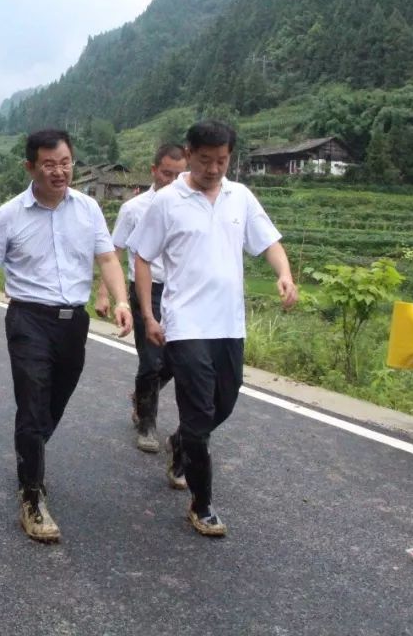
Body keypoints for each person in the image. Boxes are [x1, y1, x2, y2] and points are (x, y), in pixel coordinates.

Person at [126, 120, 297, 537]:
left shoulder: (240, 196)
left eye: (222, 161)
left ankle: (183, 441)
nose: (215, 169)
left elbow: (268, 241)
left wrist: (284, 273)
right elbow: (143, 257)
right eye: (206, 161)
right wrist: (150, 316)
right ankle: (201, 505)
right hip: (185, 325)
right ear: (190, 154)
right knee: (200, 412)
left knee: (225, 402)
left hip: (229, 324)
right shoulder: (166, 202)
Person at [0, 129, 133, 543]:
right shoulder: (9, 214)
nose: (59, 172)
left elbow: (107, 257)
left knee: (54, 403)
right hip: (28, 320)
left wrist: (122, 300)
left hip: (73, 322)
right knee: (33, 400)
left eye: (65, 163)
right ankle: (32, 498)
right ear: (30, 167)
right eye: (49, 164)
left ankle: (31, 454)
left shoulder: (89, 208)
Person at [95, 144, 187, 459]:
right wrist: (106, 293)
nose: (172, 180)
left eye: (178, 174)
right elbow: (114, 251)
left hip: (181, 293)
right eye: (166, 173)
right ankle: (147, 424)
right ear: (153, 170)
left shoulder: (190, 205)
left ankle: (141, 395)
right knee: (151, 359)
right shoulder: (134, 208)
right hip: (146, 290)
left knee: (176, 361)